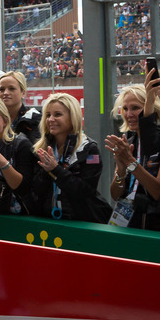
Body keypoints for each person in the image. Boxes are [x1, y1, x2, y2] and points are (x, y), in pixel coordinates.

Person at [30, 93, 112, 223]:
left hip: (81, 222)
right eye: (48, 115)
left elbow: (85, 192)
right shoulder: (40, 148)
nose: (51, 119)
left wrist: (56, 169)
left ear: (72, 117)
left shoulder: (88, 149)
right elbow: (36, 190)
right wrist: (47, 171)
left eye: (57, 114)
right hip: (48, 220)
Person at [105, 85, 160, 231]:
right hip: (128, 225)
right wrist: (121, 171)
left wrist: (130, 162)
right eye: (125, 108)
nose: (129, 114)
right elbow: (115, 195)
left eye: (135, 108)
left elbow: (158, 192)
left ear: (151, 108)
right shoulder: (128, 142)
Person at [0, 71, 41, 143]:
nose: (5, 93)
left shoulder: (34, 118)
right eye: (2, 89)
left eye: (11, 88)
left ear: (23, 93)